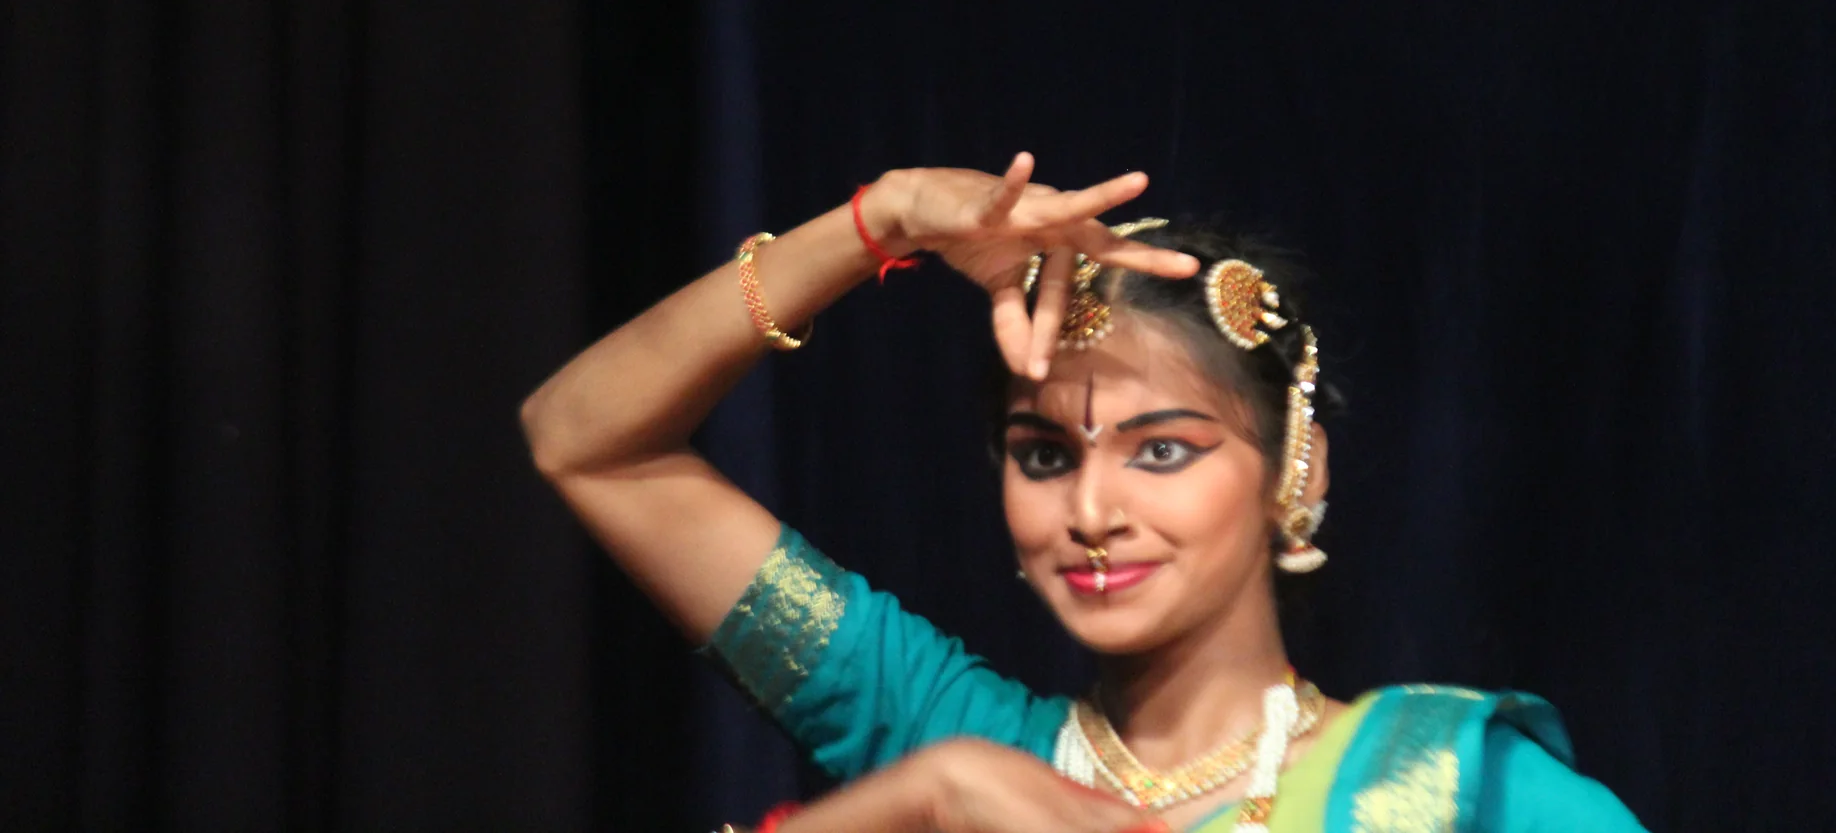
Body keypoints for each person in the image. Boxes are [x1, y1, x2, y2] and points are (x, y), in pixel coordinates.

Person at [521, 155, 1647, 832]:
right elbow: (584, 437)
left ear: (1292, 473)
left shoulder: (1447, 786)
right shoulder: (953, 743)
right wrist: (883, 221)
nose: (1092, 508)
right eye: (1046, 454)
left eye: (1161, 450)